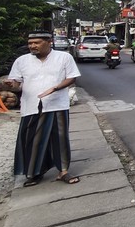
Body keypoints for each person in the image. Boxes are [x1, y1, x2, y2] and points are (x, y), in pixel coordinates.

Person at [5, 31, 81, 186]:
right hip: (31, 105)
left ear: (49, 42)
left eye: (37, 43)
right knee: (31, 139)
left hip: (57, 104)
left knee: (60, 138)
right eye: (30, 43)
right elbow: (16, 83)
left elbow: (72, 77)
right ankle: (35, 172)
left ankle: (63, 171)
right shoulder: (22, 61)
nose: (32, 46)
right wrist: (11, 84)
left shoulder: (64, 57)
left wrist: (56, 88)